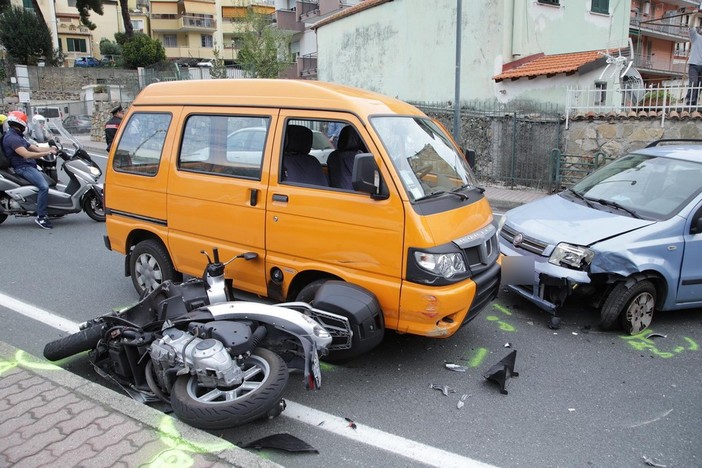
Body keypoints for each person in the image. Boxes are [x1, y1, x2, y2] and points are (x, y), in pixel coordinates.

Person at [3, 110, 58, 229]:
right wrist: (47, 152)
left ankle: (52, 209)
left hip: (29, 166)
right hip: (23, 168)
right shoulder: (12, 138)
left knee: (51, 183)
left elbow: (36, 149)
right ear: (21, 123)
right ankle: (41, 217)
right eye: (25, 122)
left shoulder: (17, 136)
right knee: (44, 187)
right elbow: (26, 154)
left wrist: (52, 149)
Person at [685, 15, 702, 106]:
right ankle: (690, 100)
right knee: (693, 83)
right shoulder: (696, 37)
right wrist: (693, 16)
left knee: (699, 85)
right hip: (694, 65)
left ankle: (694, 101)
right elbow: (690, 26)